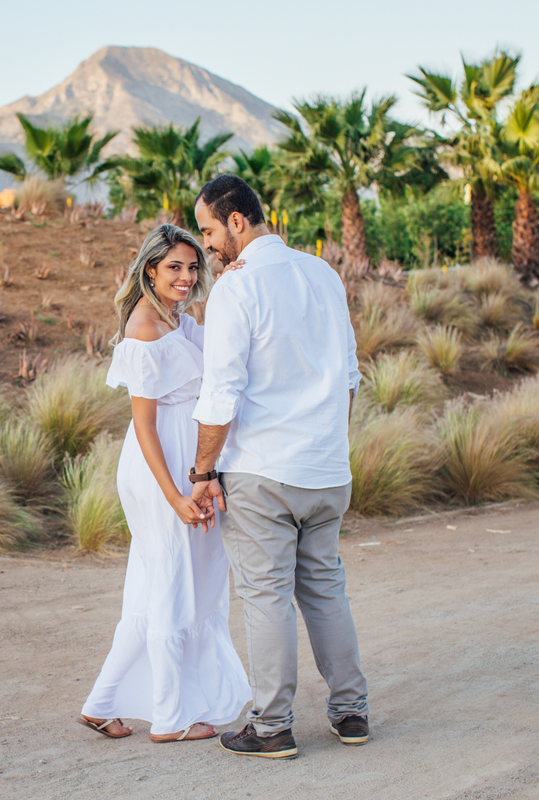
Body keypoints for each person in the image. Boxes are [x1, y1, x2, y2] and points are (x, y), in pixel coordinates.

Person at [189, 174, 368, 760]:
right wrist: (325, 444)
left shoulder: (236, 292)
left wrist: (201, 472)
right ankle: (350, 713)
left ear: (237, 220)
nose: (208, 245)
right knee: (326, 592)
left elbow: (220, 397)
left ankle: (271, 727)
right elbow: (348, 377)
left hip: (263, 473)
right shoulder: (324, 274)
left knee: (266, 597)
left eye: (210, 230)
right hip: (326, 470)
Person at [77, 224, 251, 743]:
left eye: (193, 266)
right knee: (175, 583)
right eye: (174, 266)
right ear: (150, 268)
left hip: (187, 459)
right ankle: (170, 718)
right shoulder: (145, 327)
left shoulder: (177, 315)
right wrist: (175, 494)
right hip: (161, 465)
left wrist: (230, 279)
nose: (186, 276)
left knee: (162, 588)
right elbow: (144, 425)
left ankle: (100, 703)